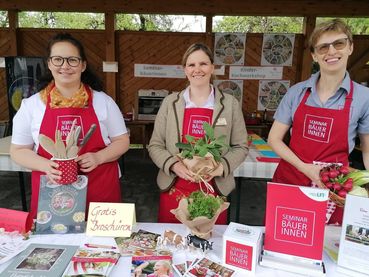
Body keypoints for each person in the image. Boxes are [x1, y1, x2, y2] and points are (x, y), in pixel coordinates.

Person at [10, 33, 129, 219]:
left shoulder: (103, 101)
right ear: (49, 64)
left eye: (72, 60)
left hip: (100, 192)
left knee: (105, 246)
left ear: (83, 65)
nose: (65, 66)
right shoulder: (31, 105)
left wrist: (99, 157)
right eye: (58, 59)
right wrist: (46, 165)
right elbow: (18, 150)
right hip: (52, 196)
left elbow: (122, 141)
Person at [268, 19, 369, 224]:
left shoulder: (364, 98)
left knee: (327, 246)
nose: (331, 51)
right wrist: (306, 169)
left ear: (350, 47)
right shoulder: (297, 92)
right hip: (292, 179)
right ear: (314, 55)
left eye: (338, 44)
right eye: (323, 47)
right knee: (285, 241)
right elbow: (274, 139)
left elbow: (367, 150)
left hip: (334, 187)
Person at [148, 43, 248, 223]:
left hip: (214, 189)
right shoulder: (170, 103)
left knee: (209, 246)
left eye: (203, 63)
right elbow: (155, 145)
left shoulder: (230, 104)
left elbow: (241, 146)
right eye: (191, 65)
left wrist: (220, 168)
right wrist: (174, 166)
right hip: (175, 186)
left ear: (212, 67)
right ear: (184, 69)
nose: (197, 69)